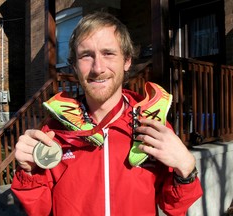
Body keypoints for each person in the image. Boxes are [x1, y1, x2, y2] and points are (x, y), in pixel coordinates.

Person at [11, 11, 203, 216]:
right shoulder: (54, 131)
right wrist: (29, 172)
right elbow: (38, 210)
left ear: (127, 60)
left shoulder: (152, 126)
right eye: (86, 56)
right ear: (75, 65)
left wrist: (187, 170)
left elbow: (174, 206)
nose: (98, 68)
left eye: (108, 53)